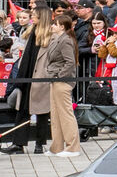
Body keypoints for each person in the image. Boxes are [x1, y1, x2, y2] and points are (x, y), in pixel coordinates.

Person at [30, 13, 82, 155]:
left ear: (61, 26)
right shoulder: (57, 39)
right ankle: (57, 146)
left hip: (62, 81)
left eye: (55, 24)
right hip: (54, 79)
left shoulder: (65, 40)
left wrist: (60, 75)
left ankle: (73, 147)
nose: (52, 25)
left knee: (65, 114)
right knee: (56, 115)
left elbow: (70, 62)